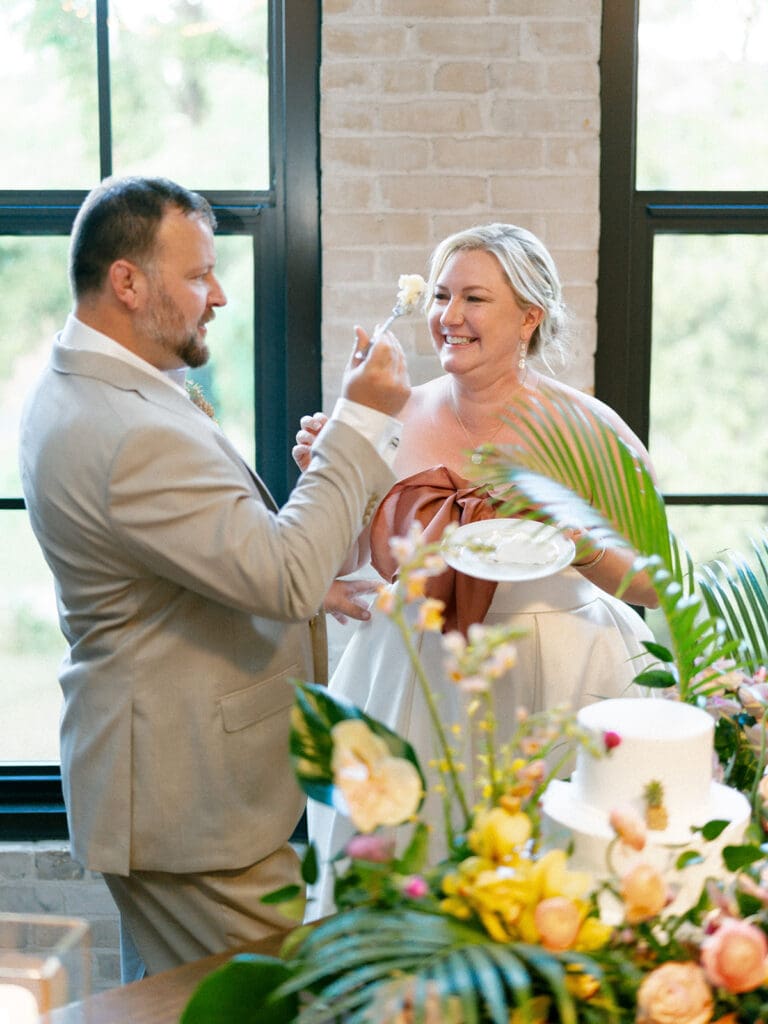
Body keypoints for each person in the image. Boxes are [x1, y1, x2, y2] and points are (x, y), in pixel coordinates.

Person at [18, 175, 410, 976]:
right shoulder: (125, 428)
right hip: (188, 799)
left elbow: (198, 560)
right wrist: (363, 422)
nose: (220, 294)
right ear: (127, 282)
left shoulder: (93, 382)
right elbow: (284, 572)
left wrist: (300, 579)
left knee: (172, 1002)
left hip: (167, 777)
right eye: (198, 274)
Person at [293, 222, 659, 919]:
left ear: (529, 316)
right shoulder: (389, 415)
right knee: (405, 887)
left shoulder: (590, 429)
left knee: (557, 895)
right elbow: (340, 567)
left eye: (474, 299)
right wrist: (324, 475)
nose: (448, 317)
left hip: (559, 678)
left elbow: (655, 581)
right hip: (413, 680)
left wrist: (576, 541)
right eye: (439, 295)